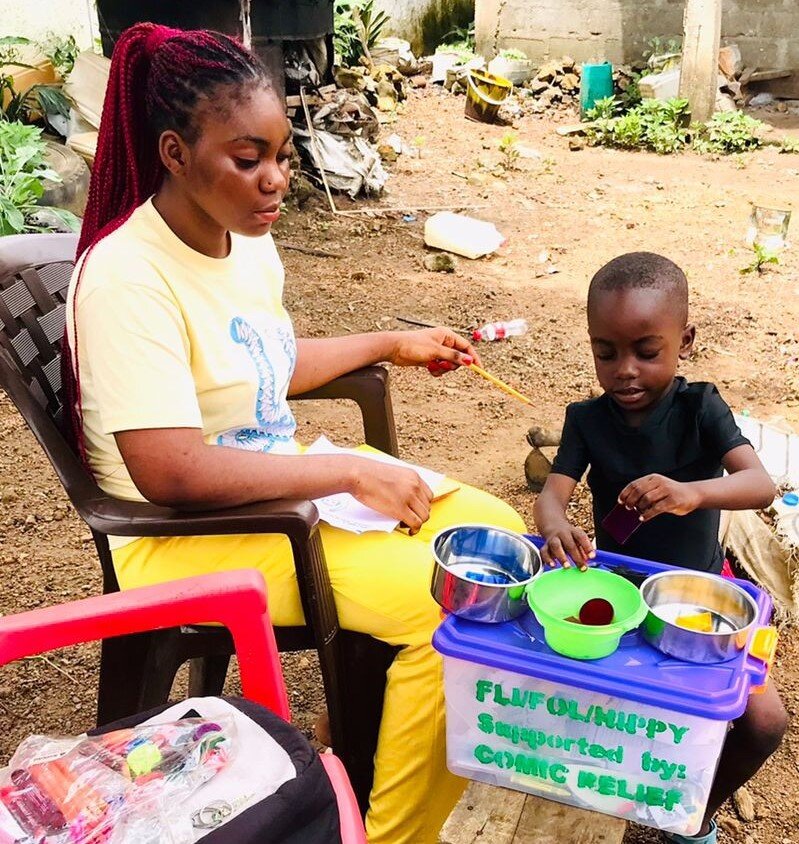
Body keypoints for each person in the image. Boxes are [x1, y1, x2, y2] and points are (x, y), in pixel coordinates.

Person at [64, 23, 526, 844]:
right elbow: (168, 469)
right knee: (450, 609)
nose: (276, 179)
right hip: (185, 535)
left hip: (274, 495)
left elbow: (262, 364)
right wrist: (345, 473)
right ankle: (391, 833)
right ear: (174, 153)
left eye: (281, 154)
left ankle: (368, 738)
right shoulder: (127, 278)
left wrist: (390, 342)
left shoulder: (244, 244)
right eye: (248, 159)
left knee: (498, 537)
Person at [534, 252, 787, 844]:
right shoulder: (586, 420)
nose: (625, 371)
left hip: (698, 595)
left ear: (684, 341)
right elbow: (552, 494)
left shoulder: (702, 408)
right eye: (606, 353)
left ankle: (693, 817)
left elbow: (759, 484)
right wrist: (554, 526)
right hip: (618, 594)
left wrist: (691, 493)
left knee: (764, 724)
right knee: (589, 704)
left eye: (647, 352)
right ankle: (600, 784)